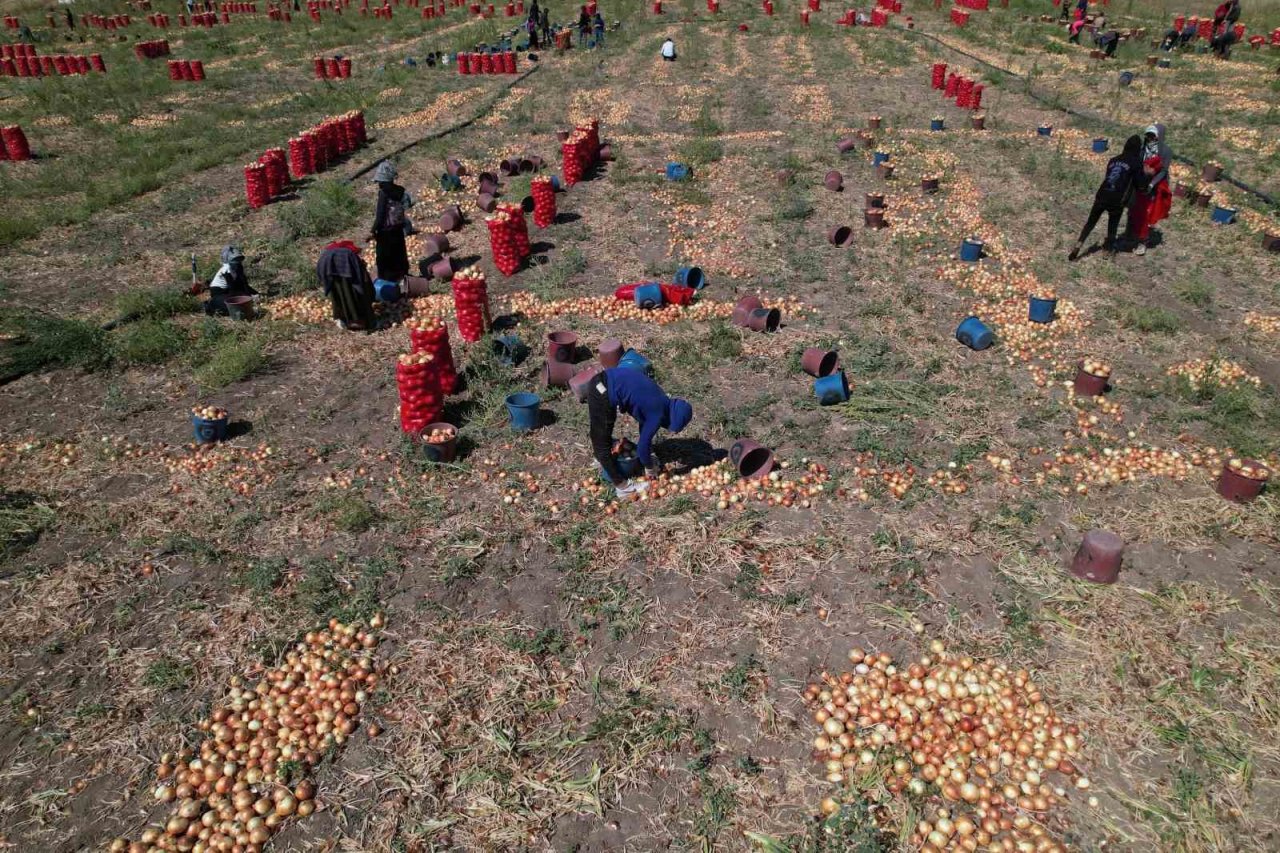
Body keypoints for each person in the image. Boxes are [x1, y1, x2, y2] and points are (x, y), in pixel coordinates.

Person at [587, 368, 693, 498]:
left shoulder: (661, 399)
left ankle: (603, 460)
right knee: (601, 442)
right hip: (602, 391)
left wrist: (649, 451)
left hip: (603, 381)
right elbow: (642, 447)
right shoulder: (658, 414)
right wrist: (649, 467)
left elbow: (644, 428)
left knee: (601, 432)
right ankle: (622, 487)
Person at [1068, 135, 1145, 261]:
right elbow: (1140, 184)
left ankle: (1079, 244)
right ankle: (1107, 251)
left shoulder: (1113, 160)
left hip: (1102, 194)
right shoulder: (1136, 163)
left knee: (1090, 222)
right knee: (1112, 226)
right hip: (1117, 199)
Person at [1128, 123, 1172, 255]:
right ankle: (1129, 235)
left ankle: (1142, 241)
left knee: (1146, 213)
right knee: (1132, 209)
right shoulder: (1143, 148)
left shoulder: (1165, 151)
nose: (1150, 139)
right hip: (1140, 183)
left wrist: (1152, 184)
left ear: (1159, 137)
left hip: (1154, 186)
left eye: (1153, 136)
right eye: (1148, 136)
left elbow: (1163, 171)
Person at [316, 240, 376, 331]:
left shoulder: (331, 252)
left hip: (327, 266)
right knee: (352, 293)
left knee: (337, 293)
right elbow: (364, 281)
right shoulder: (351, 255)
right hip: (339, 265)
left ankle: (342, 319)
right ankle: (357, 321)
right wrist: (370, 295)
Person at [370, 161, 412, 283]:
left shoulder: (383, 193)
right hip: (398, 229)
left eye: (380, 182)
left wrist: (373, 230)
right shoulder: (399, 191)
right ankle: (404, 279)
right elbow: (407, 205)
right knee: (399, 254)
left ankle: (388, 284)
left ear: (384, 182)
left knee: (384, 259)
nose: (379, 185)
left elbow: (380, 215)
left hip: (385, 232)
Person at [204, 246, 258, 316]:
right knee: (233, 305)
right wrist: (249, 297)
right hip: (218, 292)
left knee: (243, 296)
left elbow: (244, 283)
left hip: (228, 290)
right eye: (236, 260)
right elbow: (232, 288)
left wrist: (255, 293)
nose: (237, 262)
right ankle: (210, 304)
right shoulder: (226, 270)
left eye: (239, 260)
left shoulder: (238, 267)